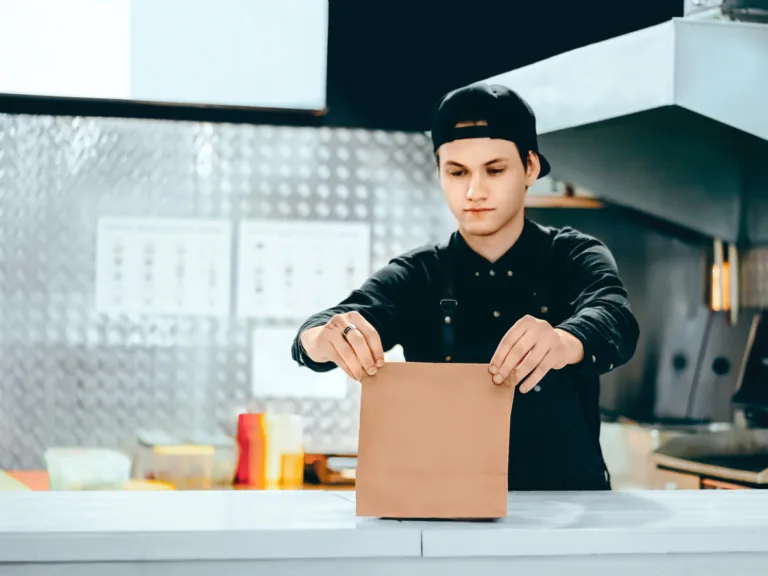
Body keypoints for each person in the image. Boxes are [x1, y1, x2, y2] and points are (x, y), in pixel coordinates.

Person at [291, 83, 640, 491]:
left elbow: (615, 317)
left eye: (494, 170)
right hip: (445, 510)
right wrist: (324, 338)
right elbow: (320, 330)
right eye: (456, 172)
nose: (474, 191)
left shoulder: (573, 255)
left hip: (566, 510)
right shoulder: (419, 274)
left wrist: (565, 340)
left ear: (530, 168)